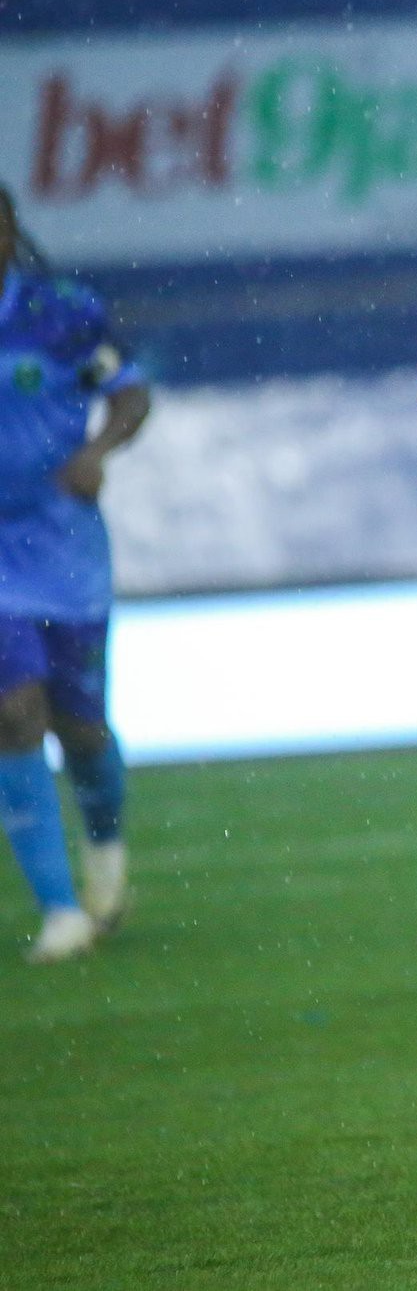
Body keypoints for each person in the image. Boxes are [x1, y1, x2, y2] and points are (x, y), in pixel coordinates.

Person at [0, 184, 151, 964]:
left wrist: (98, 450)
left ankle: (105, 849)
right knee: (14, 713)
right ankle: (59, 909)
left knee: (80, 726)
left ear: (9, 228)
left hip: (63, 551)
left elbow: (129, 392)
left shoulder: (63, 313)